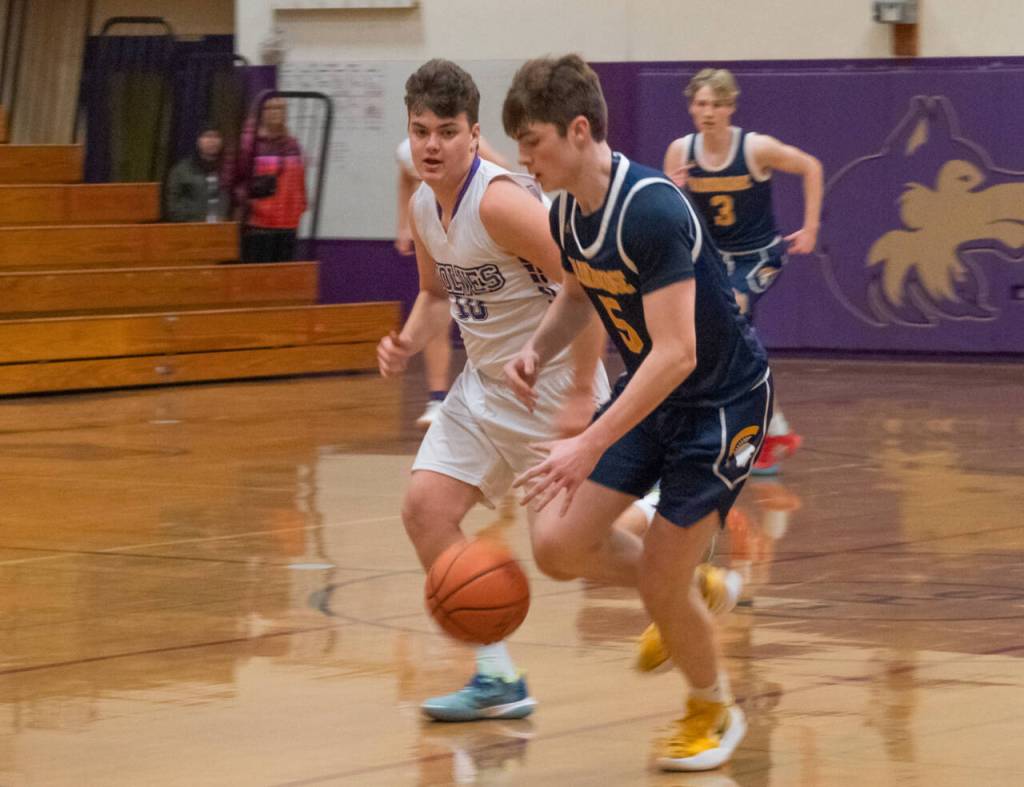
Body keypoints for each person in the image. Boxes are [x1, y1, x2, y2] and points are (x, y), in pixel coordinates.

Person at [501, 55, 772, 771]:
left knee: (657, 581)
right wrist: (536, 348)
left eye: (533, 142)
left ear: (579, 129)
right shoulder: (566, 210)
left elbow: (678, 352)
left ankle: (715, 709)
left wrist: (589, 439)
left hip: (721, 403)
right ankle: (699, 585)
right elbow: (582, 289)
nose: (524, 159)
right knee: (558, 547)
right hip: (655, 394)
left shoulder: (650, 208)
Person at [377, 58, 610, 723]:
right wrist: (405, 339)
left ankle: (684, 561)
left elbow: (589, 284)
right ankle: (496, 675)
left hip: (550, 384)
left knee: (563, 550)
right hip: (484, 388)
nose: (430, 144)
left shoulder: (501, 202)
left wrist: (580, 394)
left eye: (446, 131)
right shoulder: (426, 204)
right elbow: (432, 294)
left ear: (474, 134)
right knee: (425, 508)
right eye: (420, 129)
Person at [663, 68, 821, 475]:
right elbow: (669, 212)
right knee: (717, 340)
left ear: (731, 107)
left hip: (759, 257)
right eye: (700, 104)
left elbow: (811, 166)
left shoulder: (755, 148)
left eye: (716, 104)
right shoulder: (681, 152)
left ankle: (756, 429)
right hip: (714, 260)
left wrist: (811, 227)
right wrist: (674, 188)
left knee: (730, 317)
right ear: (691, 108)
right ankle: (772, 428)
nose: (708, 111)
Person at [394, 136, 512, 428]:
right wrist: (403, 226)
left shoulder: (468, 143)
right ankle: (437, 398)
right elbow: (405, 182)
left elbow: (505, 173)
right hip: (442, 235)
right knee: (437, 308)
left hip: (481, 239)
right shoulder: (408, 152)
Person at [235, 96, 307, 263]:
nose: (276, 113)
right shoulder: (249, 144)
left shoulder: (292, 144)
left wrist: (300, 205)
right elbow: (237, 180)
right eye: (270, 108)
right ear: (260, 113)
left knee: (282, 275)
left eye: (280, 109)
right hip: (258, 223)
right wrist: (250, 203)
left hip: (288, 222)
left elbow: (299, 179)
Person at [164, 125, 230, 223]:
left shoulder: (228, 170)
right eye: (207, 136)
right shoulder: (182, 170)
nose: (212, 141)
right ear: (198, 141)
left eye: (216, 137)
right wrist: (200, 220)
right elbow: (172, 206)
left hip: (221, 229)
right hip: (190, 228)